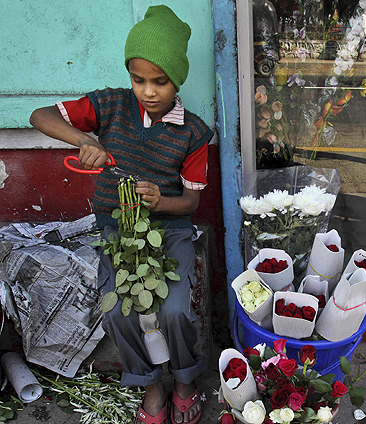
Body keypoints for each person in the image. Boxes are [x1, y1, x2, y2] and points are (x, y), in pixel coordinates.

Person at [29, 5, 213, 424]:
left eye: (160, 81)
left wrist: (160, 202)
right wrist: (85, 140)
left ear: (177, 78)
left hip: (169, 229)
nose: (148, 91)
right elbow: (39, 116)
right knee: (119, 309)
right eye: (138, 79)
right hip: (117, 228)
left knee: (174, 309)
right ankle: (150, 384)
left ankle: (185, 380)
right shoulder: (111, 104)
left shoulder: (194, 132)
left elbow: (190, 203)